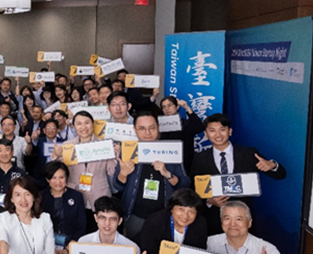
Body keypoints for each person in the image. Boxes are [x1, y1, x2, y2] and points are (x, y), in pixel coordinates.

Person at [190, 113, 286, 234]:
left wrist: (272, 165)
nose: (218, 135)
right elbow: (194, 188)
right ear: (206, 134)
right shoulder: (200, 158)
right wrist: (209, 201)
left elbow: (280, 175)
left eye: (222, 129)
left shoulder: (248, 154)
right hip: (214, 220)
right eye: (212, 130)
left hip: (243, 219)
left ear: (230, 131)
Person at [112, 110, 189, 240]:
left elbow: (185, 184)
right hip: (135, 216)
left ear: (158, 128)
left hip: (165, 216)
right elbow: (117, 186)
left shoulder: (171, 150)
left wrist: (168, 174)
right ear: (135, 130)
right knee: (135, 248)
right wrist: (123, 174)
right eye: (142, 128)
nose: (147, 132)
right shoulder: (128, 150)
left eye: (151, 128)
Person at [52, 110, 117, 233]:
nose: (83, 127)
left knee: (97, 233)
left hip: (99, 195)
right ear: (74, 126)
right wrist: (55, 155)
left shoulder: (104, 145)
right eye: (79, 123)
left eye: (87, 123)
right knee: (76, 232)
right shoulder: (67, 145)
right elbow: (56, 170)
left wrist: (116, 156)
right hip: (75, 194)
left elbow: (112, 171)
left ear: (93, 124)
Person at [40, 162, 86, 254]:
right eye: (54, 178)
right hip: (45, 248)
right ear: (47, 179)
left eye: (61, 177)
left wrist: (68, 249)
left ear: (66, 178)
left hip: (72, 246)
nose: (58, 182)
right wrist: (50, 250)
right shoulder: (40, 197)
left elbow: (81, 226)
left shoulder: (76, 196)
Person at [159, 96, 204, 172]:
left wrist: (187, 108)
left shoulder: (186, 124)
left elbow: (199, 127)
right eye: (164, 107)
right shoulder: (159, 125)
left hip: (185, 163)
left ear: (177, 106)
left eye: (169, 105)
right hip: (165, 163)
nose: (167, 109)